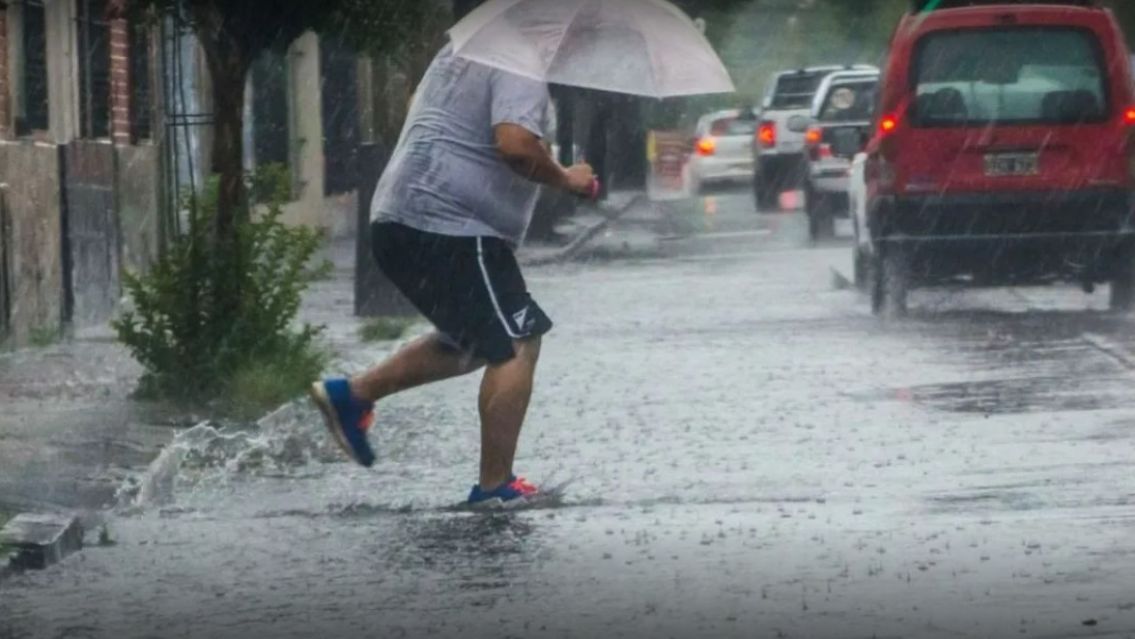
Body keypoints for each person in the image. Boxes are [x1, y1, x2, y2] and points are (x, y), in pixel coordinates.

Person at [310, 43, 595, 508]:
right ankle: (495, 487)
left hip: (407, 218)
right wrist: (567, 178)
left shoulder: (463, 52)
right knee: (518, 338)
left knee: (477, 339)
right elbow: (514, 145)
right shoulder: (518, 58)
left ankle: (353, 395)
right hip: (450, 223)